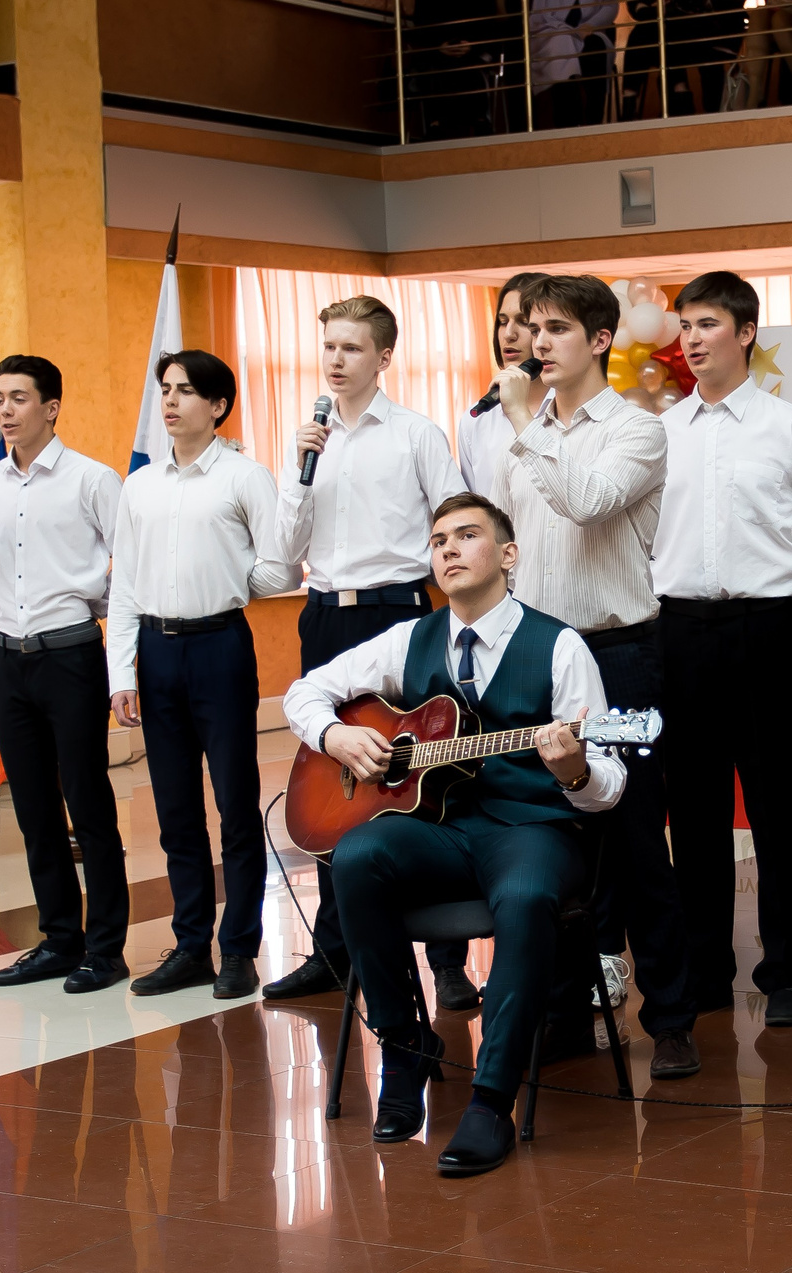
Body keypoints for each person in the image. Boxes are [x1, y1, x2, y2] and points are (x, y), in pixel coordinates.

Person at [284, 492, 626, 1177]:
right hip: (442, 832)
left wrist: (575, 769)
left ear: (507, 554)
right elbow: (305, 692)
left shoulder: (559, 646)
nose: (448, 549)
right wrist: (337, 735)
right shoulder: (408, 639)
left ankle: (491, 1101)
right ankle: (404, 1048)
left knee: (525, 897)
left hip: (533, 829)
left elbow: (610, 783)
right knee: (356, 855)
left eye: (466, 535)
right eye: (439, 540)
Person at [495, 273, 703, 1080]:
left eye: (555, 329)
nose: (536, 342)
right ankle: (564, 1013)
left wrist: (524, 424)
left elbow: (586, 503)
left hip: (618, 656)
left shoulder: (637, 431)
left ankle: (672, 1018)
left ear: (602, 340)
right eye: (531, 328)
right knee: (549, 838)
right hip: (540, 658)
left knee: (634, 836)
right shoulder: (523, 436)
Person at [266, 296, 473, 1009]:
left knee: (421, 772)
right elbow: (284, 550)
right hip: (326, 614)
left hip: (399, 609)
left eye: (351, 348)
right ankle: (335, 952)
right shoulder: (308, 443)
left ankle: (447, 961)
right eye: (329, 345)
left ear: (383, 357)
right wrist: (303, 472)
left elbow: (456, 525)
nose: (335, 359)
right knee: (334, 784)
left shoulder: (416, 435)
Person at [654, 271, 792, 1027]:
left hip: (763, 629)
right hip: (678, 631)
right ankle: (706, 966)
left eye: (707, 324)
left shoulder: (791, 429)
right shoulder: (661, 433)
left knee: (776, 805)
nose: (692, 340)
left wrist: (779, 582)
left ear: (745, 332)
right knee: (693, 810)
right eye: (685, 326)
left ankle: (787, 969)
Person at [107, 350, 296, 1000]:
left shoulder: (244, 476)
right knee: (175, 809)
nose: (170, 400)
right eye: (165, 389)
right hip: (156, 653)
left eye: (185, 391)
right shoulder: (140, 485)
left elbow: (281, 569)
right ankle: (190, 945)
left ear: (217, 406)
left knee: (235, 805)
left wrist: (228, 577)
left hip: (220, 646)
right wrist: (121, 673)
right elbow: (125, 585)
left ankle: (238, 948)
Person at [0, 355, 129, 994]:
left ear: (51, 408)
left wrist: (101, 617)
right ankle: (59, 939)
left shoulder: (91, 479)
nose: (5, 410)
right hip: (10, 659)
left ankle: (105, 950)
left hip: (71, 656)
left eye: (19, 398)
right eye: (0, 398)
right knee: (33, 808)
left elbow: (130, 567)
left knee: (87, 803)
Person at [460, 273, 548, 505]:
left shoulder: (570, 410)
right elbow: (475, 507)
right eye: (502, 321)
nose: (509, 334)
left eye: (523, 321)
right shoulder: (476, 419)